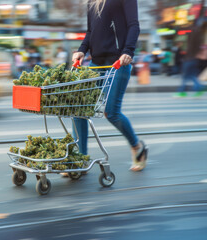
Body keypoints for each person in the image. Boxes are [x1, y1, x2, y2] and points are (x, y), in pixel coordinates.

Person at [71, 0, 148, 172]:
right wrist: (82, 49)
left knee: (111, 112)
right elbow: (91, 32)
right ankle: (80, 160)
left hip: (118, 63)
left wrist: (128, 51)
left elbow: (134, 25)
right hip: (96, 65)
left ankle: (137, 147)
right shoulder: (91, 2)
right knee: (79, 109)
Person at [173, 20, 206, 98]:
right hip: (194, 59)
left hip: (189, 59)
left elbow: (189, 47)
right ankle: (198, 87)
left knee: (185, 76)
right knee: (192, 76)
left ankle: (182, 91)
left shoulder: (192, 33)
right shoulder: (199, 35)